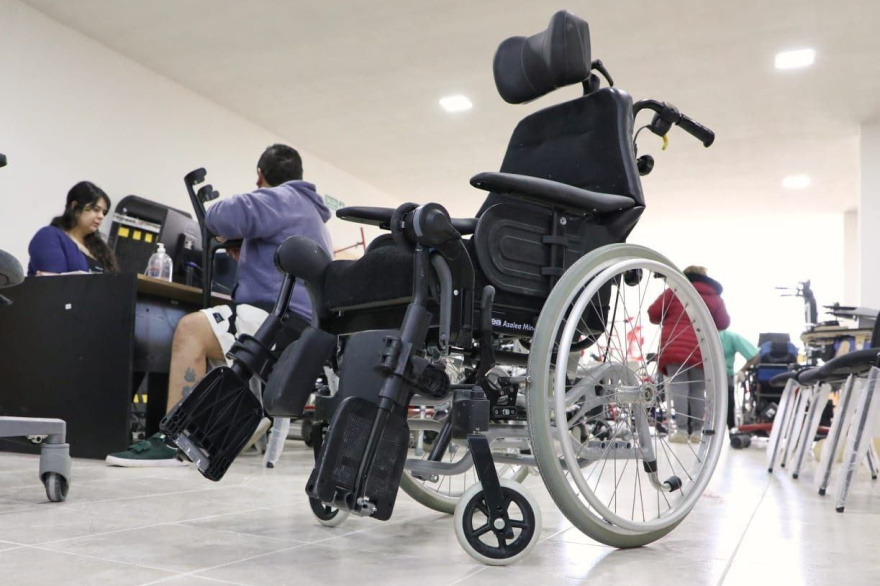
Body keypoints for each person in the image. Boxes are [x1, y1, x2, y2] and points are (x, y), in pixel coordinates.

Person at [106, 144, 334, 466]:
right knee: (217, 343)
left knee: (192, 330)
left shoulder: (281, 198)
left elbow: (221, 216)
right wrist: (248, 247)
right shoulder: (311, 216)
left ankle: (174, 441)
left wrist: (225, 228)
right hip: (304, 328)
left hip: (279, 320)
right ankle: (228, 424)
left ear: (260, 176)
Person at [649, 265, 730, 443]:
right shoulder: (714, 297)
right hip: (701, 348)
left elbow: (653, 314)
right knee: (698, 390)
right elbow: (723, 323)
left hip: (674, 345)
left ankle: (682, 431)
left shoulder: (674, 292)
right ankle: (697, 432)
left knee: (679, 388)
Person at [28, 181, 119, 275]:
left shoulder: (99, 247)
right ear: (75, 207)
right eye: (96, 209)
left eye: (103, 212)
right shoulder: (49, 237)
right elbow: (53, 281)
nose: (101, 216)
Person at [719, 329, 759, 431]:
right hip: (724, 377)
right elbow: (754, 355)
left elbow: (754, 355)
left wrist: (742, 370)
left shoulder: (698, 332)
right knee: (728, 406)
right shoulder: (731, 337)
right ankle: (732, 430)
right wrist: (742, 370)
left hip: (706, 375)